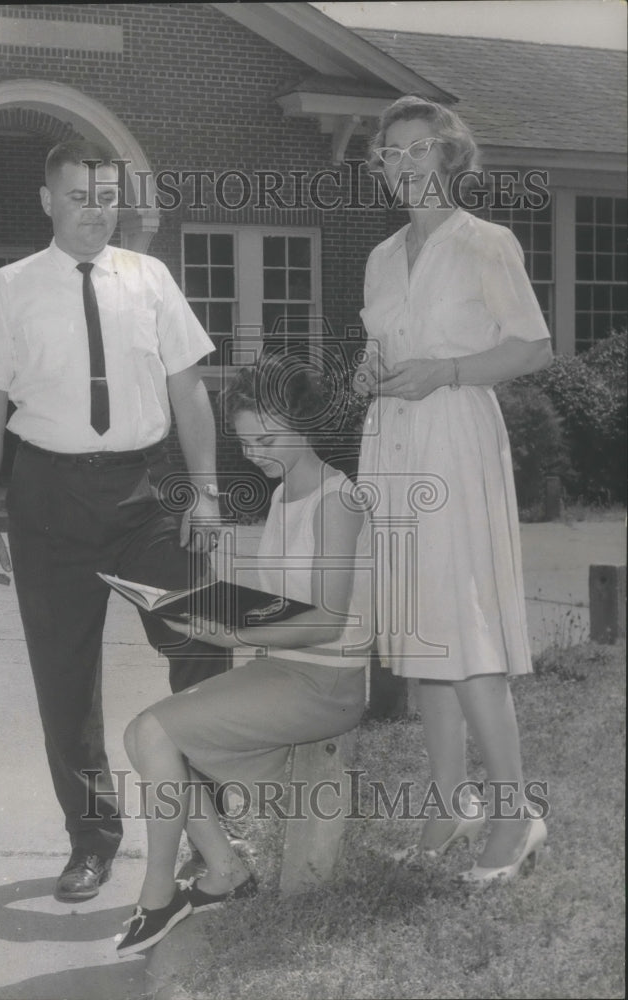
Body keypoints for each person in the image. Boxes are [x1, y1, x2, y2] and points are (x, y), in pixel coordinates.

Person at [0, 138, 231, 903]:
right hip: (47, 496)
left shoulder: (151, 279)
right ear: (47, 201)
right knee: (65, 680)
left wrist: (205, 493)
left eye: (105, 196)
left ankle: (211, 823)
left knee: (204, 638)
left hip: (143, 492)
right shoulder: (10, 288)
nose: (94, 211)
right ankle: (91, 839)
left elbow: (188, 390)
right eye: (78, 196)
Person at [353, 95, 553, 883]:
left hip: (455, 438)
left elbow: (532, 347)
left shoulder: (484, 244)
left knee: (463, 627)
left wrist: (446, 372)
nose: (402, 165)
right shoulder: (378, 256)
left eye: (415, 149)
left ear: (446, 153)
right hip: (392, 444)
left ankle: (514, 812)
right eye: (388, 154)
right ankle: (448, 800)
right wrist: (370, 373)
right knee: (418, 631)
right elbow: (383, 350)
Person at [115, 360, 373, 956]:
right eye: (245, 440)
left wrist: (235, 638)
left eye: (267, 438)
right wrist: (211, 608)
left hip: (326, 685)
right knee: (143, 736)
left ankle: (158, 897)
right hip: (286, 669)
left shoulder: (338, 500)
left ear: (306, 427)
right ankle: (224, 872)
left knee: (152, 732)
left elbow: (330, 620)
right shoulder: (286, 494)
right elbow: (285, 603)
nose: (254, 452)